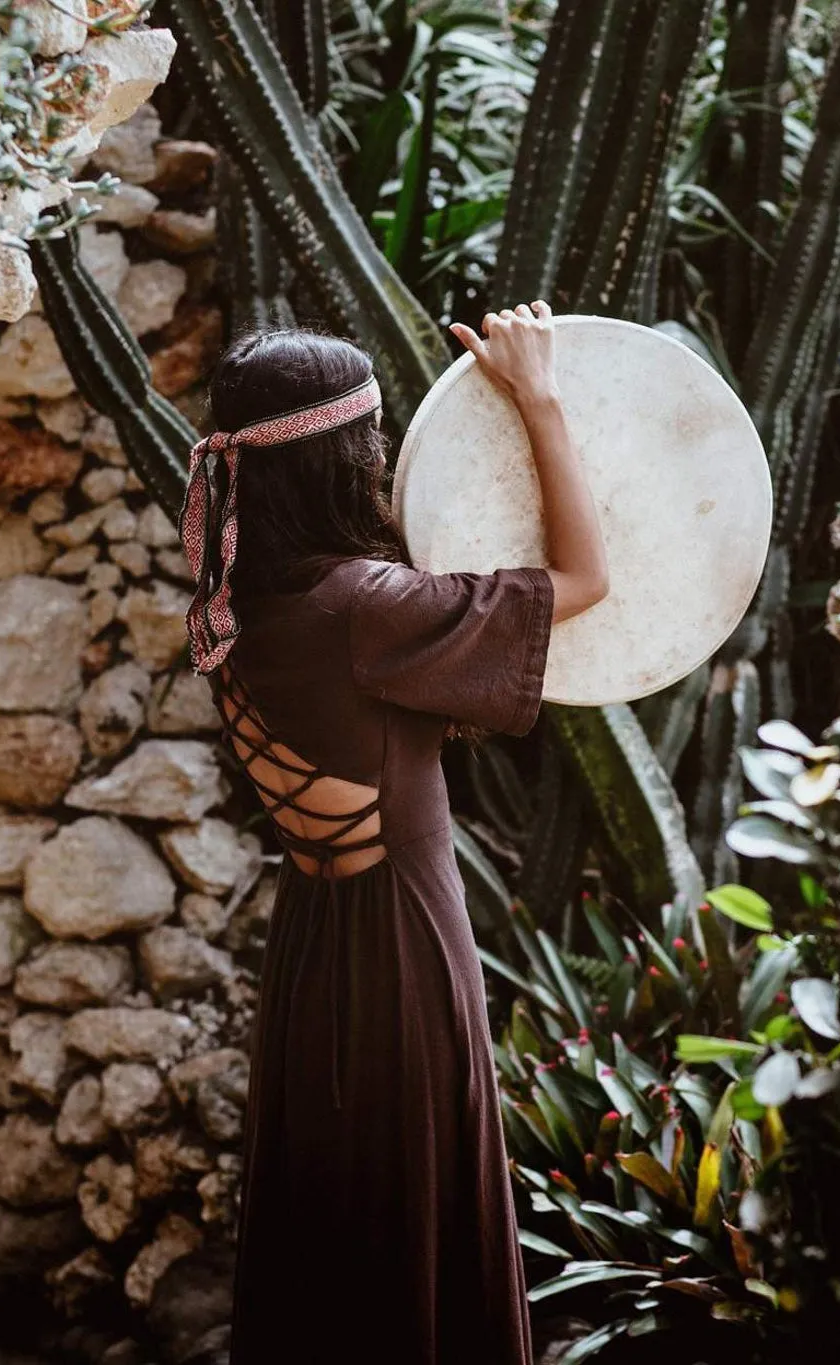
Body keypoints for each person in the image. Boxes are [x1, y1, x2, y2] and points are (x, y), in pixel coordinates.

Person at [177, 301, 608, 1365]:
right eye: (369, 443)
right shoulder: (366, 608)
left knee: (329, 1226)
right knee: (413, 1214)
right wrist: (539, 401)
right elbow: (589, 582)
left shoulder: (239, 600)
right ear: (336, 465)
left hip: (315, 941)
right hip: (402, 947)